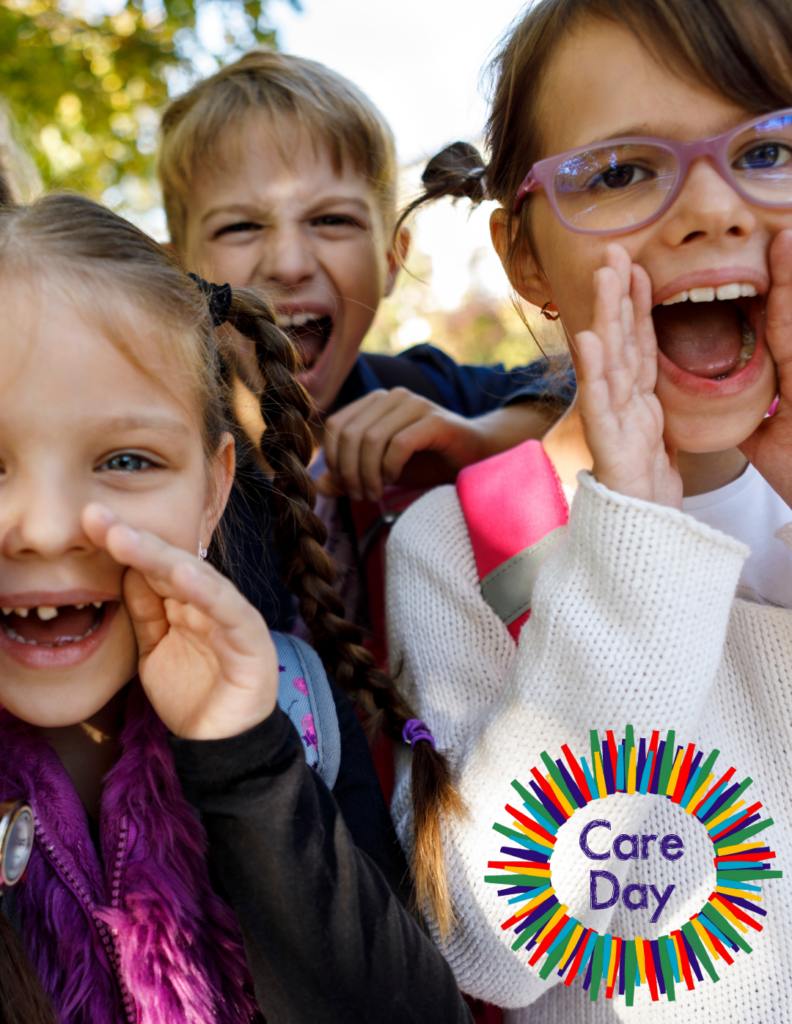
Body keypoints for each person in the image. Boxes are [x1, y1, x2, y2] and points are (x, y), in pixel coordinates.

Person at [386, 0, 792, 1019]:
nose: (713, 208)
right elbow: (483, 939)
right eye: (620, 172)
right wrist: (633, 553)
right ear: (525, 257)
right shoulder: (474, 541)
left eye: (770, 150)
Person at [0, 193, 472, 1024]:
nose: (42, 530)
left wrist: (249, 765)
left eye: (125, 459)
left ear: (215, 491)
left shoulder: (298, 711)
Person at [157, 51, 575, 634]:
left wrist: (476, 441)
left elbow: (577, 389)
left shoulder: (422, 392)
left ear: (391, 258)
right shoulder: (159, 461)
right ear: (181, 279)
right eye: (240, 227)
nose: (289, 261)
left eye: (331, 220)